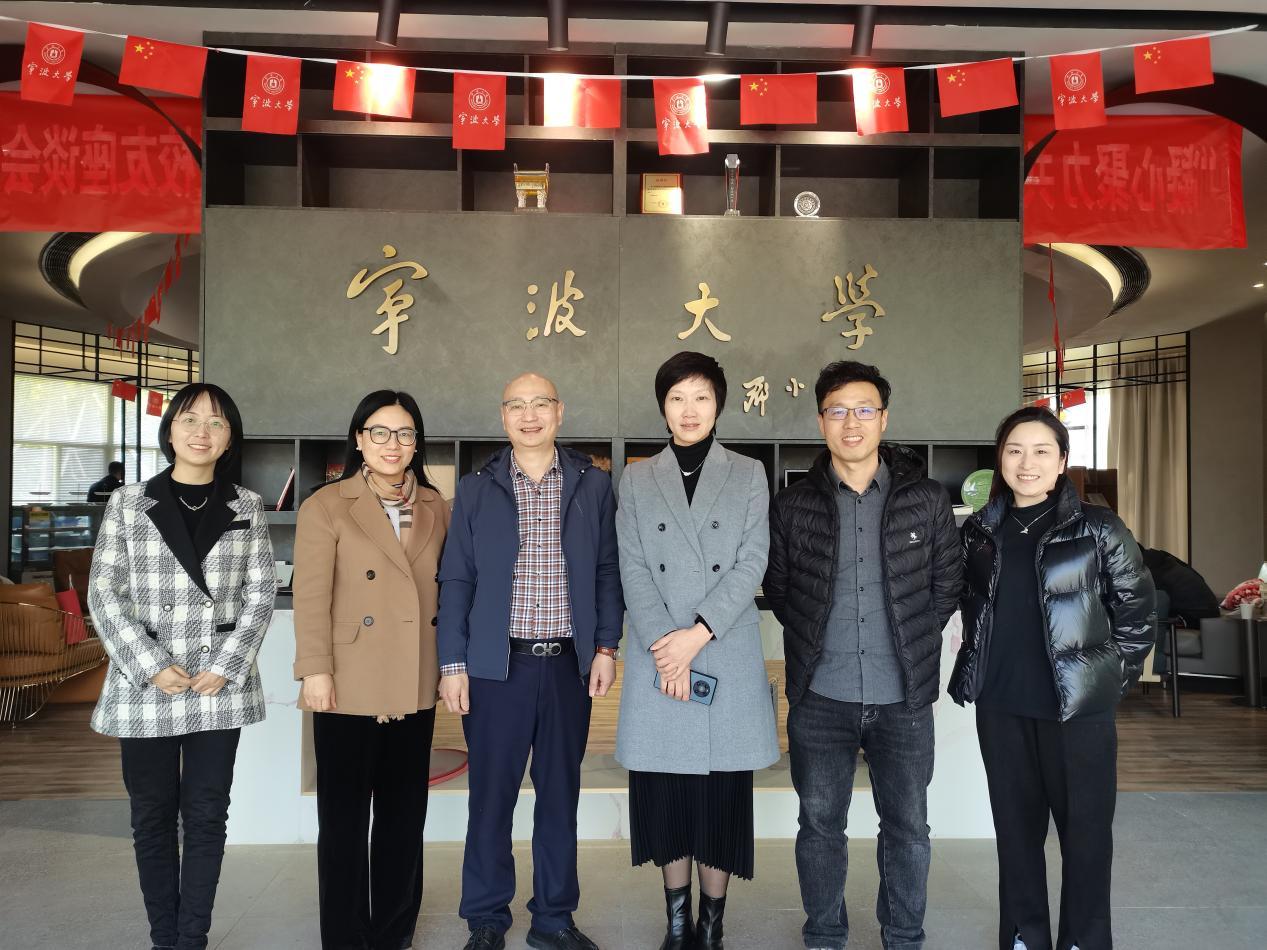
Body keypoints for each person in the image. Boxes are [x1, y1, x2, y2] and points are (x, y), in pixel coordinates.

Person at [764, 360, 962, 950]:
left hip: (903, 697)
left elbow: (946, 588)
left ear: (884, 419)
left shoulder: (926, 499)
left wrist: (909, 642)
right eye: (838, 411)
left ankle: (903, 935)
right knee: (819, 825)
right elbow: (780, 590)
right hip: (820, 696)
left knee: (907, 826)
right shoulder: (792, 504)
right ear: (820, 421)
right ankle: (824, 934)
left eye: (864, 409)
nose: (851, 422)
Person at [949, 406, 1154, 950]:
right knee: (1016, 835)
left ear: (1062, 461)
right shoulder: (980, 531)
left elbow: (1138, 612)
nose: (1027, 462)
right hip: (1001, 705)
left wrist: (1107, 682)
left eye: (1042, 451)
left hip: (1077, 712)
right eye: (1015, 450)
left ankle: (1084, 940)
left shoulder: (1098, 527)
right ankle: (1024, 936)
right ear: (1000, 459)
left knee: (1086, 835)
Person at [437, 372, 622, 950]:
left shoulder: (593, 484)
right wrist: (452, 663)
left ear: (559, 412)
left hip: (567, 665)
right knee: (490, 798)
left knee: (560, 796)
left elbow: (608, 571)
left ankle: (553, 918)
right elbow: (457, 579)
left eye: (540, 403)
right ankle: (486, 917)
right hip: (497, 668)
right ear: (503, 417)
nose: (529, 415)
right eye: (516, 405)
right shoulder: (476, 488)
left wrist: (606, 647)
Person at [88, 383, 275, 950]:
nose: (202, 432)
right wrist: (151, 665)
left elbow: (260, 594)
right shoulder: (129, 503)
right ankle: (162, 936)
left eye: (216, 423)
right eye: (190, 419)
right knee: (151, 816)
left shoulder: (246, 505)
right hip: (146, 685)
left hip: (218, 685)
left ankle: (192, 936)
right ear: (170, 429)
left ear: (229, 439)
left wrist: (227, 665)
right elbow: (104, 593)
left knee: (207, 815)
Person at [614, 352, 779, 950]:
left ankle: (711, 927)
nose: (689, 410)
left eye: (701, 397)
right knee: (668, 796)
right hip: (660, 656)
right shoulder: (637, 479)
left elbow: (752, 561)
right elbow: (633, 566)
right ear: (663, 406)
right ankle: (677, 923)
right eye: (677, 397)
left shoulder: (748, 474)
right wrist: (668, 646)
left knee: (718, 800)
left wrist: (696, 636)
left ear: (719, 405)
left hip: (721, 648)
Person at [292, 390, 451, 950]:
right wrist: (315, 669)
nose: (392, 444)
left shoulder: (436, 505)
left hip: (414, 676)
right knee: (343, 820)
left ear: (416, 443)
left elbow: (448, 590)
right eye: (379, 432)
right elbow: (311, 596)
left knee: (404, 816)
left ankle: (393, 931)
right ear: (359, 439)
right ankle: (344, 935)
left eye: (404, 433)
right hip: (347, 679)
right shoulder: (326, 505)